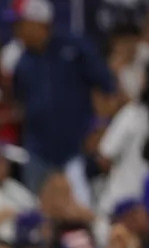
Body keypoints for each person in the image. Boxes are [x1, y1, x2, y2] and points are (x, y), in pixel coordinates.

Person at [10, 0, 117, 200]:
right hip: (37, 151)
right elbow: (19, 103)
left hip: (75, 150)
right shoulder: (23, 62)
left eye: (20, 23)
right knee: (37, 213)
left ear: (38, 23)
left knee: (80, 209)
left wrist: (101, 127)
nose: (16, 30)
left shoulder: (74, 48)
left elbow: (107, 87)